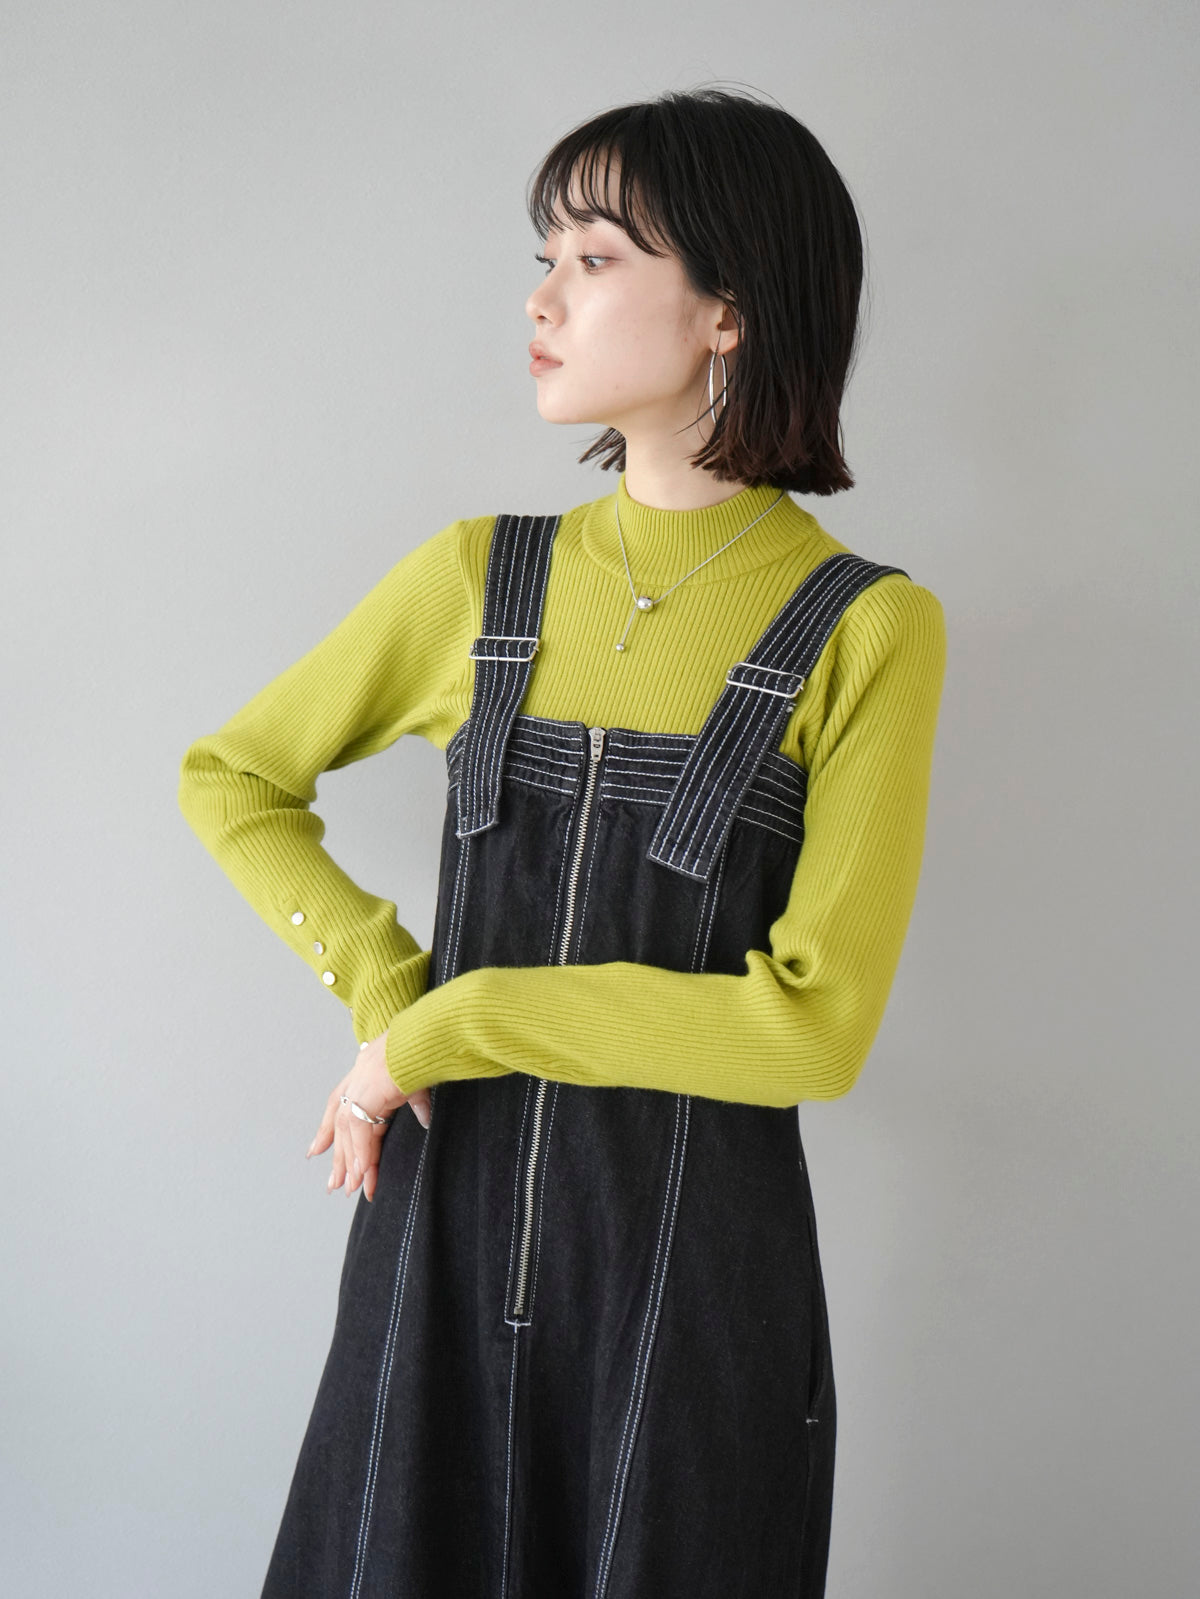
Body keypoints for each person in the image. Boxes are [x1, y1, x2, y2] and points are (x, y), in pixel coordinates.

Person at [178, 85, 946, 1599]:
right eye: (546, 259)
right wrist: (383, 985)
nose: (542, 300)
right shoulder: (482, 576)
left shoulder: (868, 628)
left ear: (728, 312)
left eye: (594, 260)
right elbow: (233, 778)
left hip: (693, 1298)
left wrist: (452, 1024)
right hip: (438, 1252)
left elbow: (812, 1031)